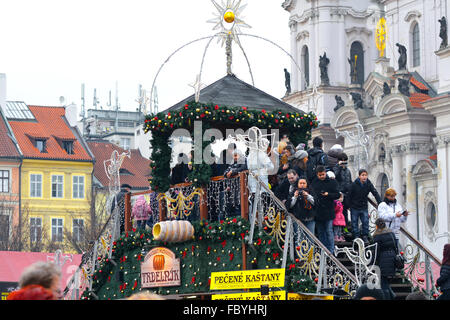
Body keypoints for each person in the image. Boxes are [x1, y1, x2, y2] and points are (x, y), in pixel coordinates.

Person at [311, 165, 340, 254]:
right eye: (320, 175)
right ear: (317, 174)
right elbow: (312, 194)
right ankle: (323, 250)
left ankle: (330, 251)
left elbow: (337, 195)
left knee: (329, 231)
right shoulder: (314, 182)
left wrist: (328, 194)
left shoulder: (332, 182)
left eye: (323, 174)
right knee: (321, 232)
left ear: (325, 173)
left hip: (328, 210)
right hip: (318, 210)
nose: (321, 176)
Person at [348, 169, 382, 243]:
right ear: (359, 176)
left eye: (365, 175)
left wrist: (380, 203)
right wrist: (349, 206)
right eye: (362, 175)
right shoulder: (354, 184)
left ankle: (365, 236)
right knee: (354, 222)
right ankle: (356, 236)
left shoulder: (368, 184)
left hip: (363, 206)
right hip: (354, 206)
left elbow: (374, 192)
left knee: (365, 221)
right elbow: (349, 195)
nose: (364, 177)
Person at [373, 218, 397, 300]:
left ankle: (390, 297)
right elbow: (395, 246)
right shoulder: (391, 233)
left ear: (377, 226)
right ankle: (392, 296)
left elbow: (376, 251)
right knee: (386, 282)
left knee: (383, 283)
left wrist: (372, 262)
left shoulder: (377, 236)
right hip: (392, 258)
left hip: (383, 260)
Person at [223, 150, 247, 217]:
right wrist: (227, 173)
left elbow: (243, 168)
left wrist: (233, 171)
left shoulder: (244, 160)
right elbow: (225, 172)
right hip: (232, 188)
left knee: (240, 205)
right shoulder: (232, 163)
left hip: (241, 187)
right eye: (234, 156)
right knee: (232, 204)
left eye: (236, 155)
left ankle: (242, 220)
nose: (235, 157)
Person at [333, 152, 352, 232]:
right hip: (339, 194)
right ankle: (338, 230)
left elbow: (349, 181)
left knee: (345, 212)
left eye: (345, 161)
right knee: (338, 212)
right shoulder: (335, 168)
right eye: (342, 160)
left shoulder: (348, 171)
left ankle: (345, 228)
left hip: (347, 194)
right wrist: (339, 167)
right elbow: (334, 176)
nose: (343, 162)